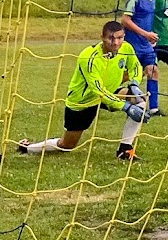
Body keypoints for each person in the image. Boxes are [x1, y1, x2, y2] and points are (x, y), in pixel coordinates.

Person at [18, 21, 150, 161]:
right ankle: (27, 148)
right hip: (84, 101)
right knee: (67, 145)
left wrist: (135, 84)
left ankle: (125, 150)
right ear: (102, 37)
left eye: (120, 38)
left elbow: (135, 66)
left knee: (140, 99)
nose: (116, 42)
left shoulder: (127, 48)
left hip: (109, 92)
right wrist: (126, 107)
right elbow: (97, 90)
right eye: (111, 38)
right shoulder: (89, 57)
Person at [122, 0, 161, 114]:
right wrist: (146, 34)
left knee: (153, 71)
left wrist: (151, 36)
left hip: (146, 46)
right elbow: (125, 20)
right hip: (132, 45)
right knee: (125, 76)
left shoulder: (154, 0)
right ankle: (104, 94)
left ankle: (154, 109)